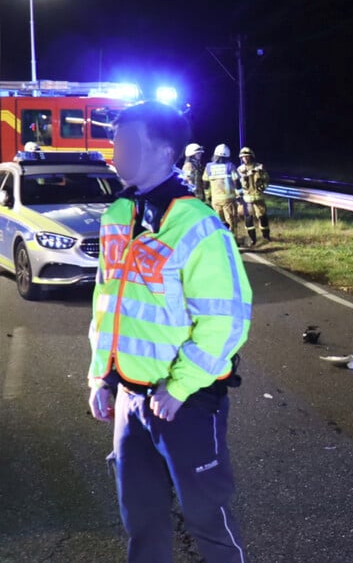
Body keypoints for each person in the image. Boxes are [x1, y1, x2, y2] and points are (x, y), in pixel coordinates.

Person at [86, 101, 251, 563]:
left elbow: (227, 320)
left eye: (126, 144)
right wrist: (100, 376)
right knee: (141, 522)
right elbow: (107, 304)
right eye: (115, 143)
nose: (115, 153)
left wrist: (179, 388)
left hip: (185, 403)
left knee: (208, 520)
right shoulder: (118, 215)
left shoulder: (198, 225)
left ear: (163, 150)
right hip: (128, 400)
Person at [237, 146, 271, 246]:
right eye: (243, 157)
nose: (245, 158)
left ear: (251, 156)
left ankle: (266, 236)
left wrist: (263, 186)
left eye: (247, 156)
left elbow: (266, 179)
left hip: (258, 196)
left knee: (263, 217)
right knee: (248, 218)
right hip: (247, 198)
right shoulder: (240, 169)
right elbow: (238, 182)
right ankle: (253, 239)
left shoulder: (260, 167)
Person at [203, 143, 240, 233]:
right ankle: (233, 242)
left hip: (215, 200)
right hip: (229, 199)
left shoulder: (209, 167)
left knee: (219, 222)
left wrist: (208, 196)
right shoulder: (230, 166)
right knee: (231, 221)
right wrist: (239, 195)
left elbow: (205, 183)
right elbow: (236, 182)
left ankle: (222, 242)